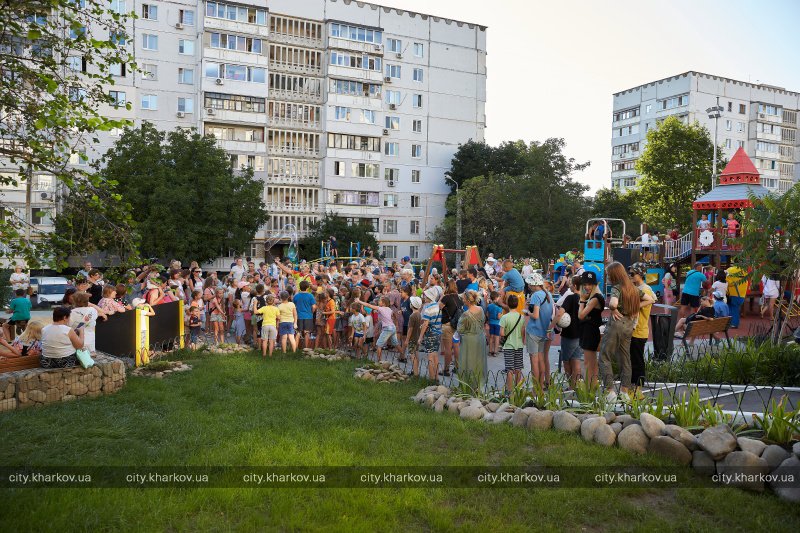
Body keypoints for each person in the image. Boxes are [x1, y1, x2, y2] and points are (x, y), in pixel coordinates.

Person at [597, 262, 640, 402]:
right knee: (625, 358)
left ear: (614, 274)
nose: (607, 276)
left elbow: (613, 303)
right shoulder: (633, 288)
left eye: (608, 274)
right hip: (628, 324)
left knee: (604, 356)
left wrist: (613, 309)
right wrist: (633, 309)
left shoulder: (617, 288)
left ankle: (610, 392)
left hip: (616, 324)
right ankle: (625, 392)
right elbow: (651, 299)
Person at [629, 263, 655, 394]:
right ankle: (633, 387)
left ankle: (638, 389)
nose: (630, 276)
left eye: (633, 274)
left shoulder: (645, 290)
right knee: (632, 359)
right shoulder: (639, 287)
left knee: (637, 361)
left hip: (639, 331)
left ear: (641, 274)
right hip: (635, 330)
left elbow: (650, 301)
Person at [524, 272, 553, 387]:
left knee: (534, 361)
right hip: (543, 331)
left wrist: (527, 312)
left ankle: (536, 388)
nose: (528, 286)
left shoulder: (536, 295)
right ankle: (541, 385)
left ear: (533, 284)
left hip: (534, 331)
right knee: (541, 359)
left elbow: (535, 315)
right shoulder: (548, 294)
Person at [457, 290, 488, 391]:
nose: (462, 300)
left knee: (468, 362)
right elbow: (483, 321)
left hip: (469, 340)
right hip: (480, 337)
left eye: (463, 298)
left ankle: (467, 386)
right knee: (479, 361)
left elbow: (460, 329)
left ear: (467, 300)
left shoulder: (466, 314)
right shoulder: (480, 309)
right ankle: (478, 385)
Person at [578, 271, 604, 387]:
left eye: (590, 284)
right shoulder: (595, 297)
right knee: (592, 362)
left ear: (595, 284)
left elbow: (581, 315)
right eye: (585, 284)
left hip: (590, 332)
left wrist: (582, 300)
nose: (587, 287)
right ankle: (593, 386)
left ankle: (589, 388)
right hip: (589, 331)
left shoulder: (595, 298)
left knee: (589, 362)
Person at [556, 276, 583, 389]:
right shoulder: (585, 298)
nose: (569, 286)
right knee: (576, 360)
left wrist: (552, 325)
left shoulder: (570, 298)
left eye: (571, 284)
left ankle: (571, 386)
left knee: (566, 360)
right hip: (580, 334)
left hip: (569, 334)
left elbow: (559, 313)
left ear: (575, 286)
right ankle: (576, 386)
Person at [499, 294, 524, 394]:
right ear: (517, 304)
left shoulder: (505, 317)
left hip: (509, 345)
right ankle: (517, 389)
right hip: (519, 345)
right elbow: (523, 333)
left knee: (509, 369)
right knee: (518, 368)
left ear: (507, 304)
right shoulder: (521, 317)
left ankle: (509, 390)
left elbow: (501, 333)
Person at [418, 287, 442, 381]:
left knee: (430, 356)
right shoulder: (438, 306)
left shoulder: (428, 308)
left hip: (430, 334)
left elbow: (425, 324)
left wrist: (420, 337)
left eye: (426, 295)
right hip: (438, 332)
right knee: (435, 355)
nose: (424, 297)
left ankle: (431, 379)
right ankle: (436, 377)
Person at [439, 280, 461, 376]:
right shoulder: (458, 298)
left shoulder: (446, 298)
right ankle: (457, 367)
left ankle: (446, 369)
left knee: (448, 349)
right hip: (456, 325)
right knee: (456, 347)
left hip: (447, 325)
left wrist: (442, 295)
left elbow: (438, 307)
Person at [293, 280, 317, 349]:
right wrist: (312, 312)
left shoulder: (296, 296)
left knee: (298, 332)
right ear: (307, 288)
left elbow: (293, 306)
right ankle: (306, 348)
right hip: (308, 316)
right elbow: (314, 306)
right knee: (307, 332)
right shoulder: (310, 296)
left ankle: (295, 348)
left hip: (298, 316)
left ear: (300, 287)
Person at [726, 264, 749, 329]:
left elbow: (729, 282)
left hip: (733, 293)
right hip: (741, 294)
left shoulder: (730, 270)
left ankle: (733, 324)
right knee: (735, 309)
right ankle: (733, 323)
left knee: (732, 309)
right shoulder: (744, 271)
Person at [405, 296, 423, 376]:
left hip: (412, 338)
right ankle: (415, 370)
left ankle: (415, 374)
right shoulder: (419, 314)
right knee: (416, 354)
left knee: (412, 355)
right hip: (417, 337)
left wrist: (407, 339)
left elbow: (410, 329)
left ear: (412, 305)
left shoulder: (412, 316)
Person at [486, 291, 503, 356]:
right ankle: (495, 351)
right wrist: (502, 315)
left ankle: (490, 351)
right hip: (497, 323)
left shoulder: (489, 306)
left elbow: (487, 314)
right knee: (497, 337)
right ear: (496, 298)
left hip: (491, 323)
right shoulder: (499, 307)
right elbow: (499, 317)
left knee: (491, 337)